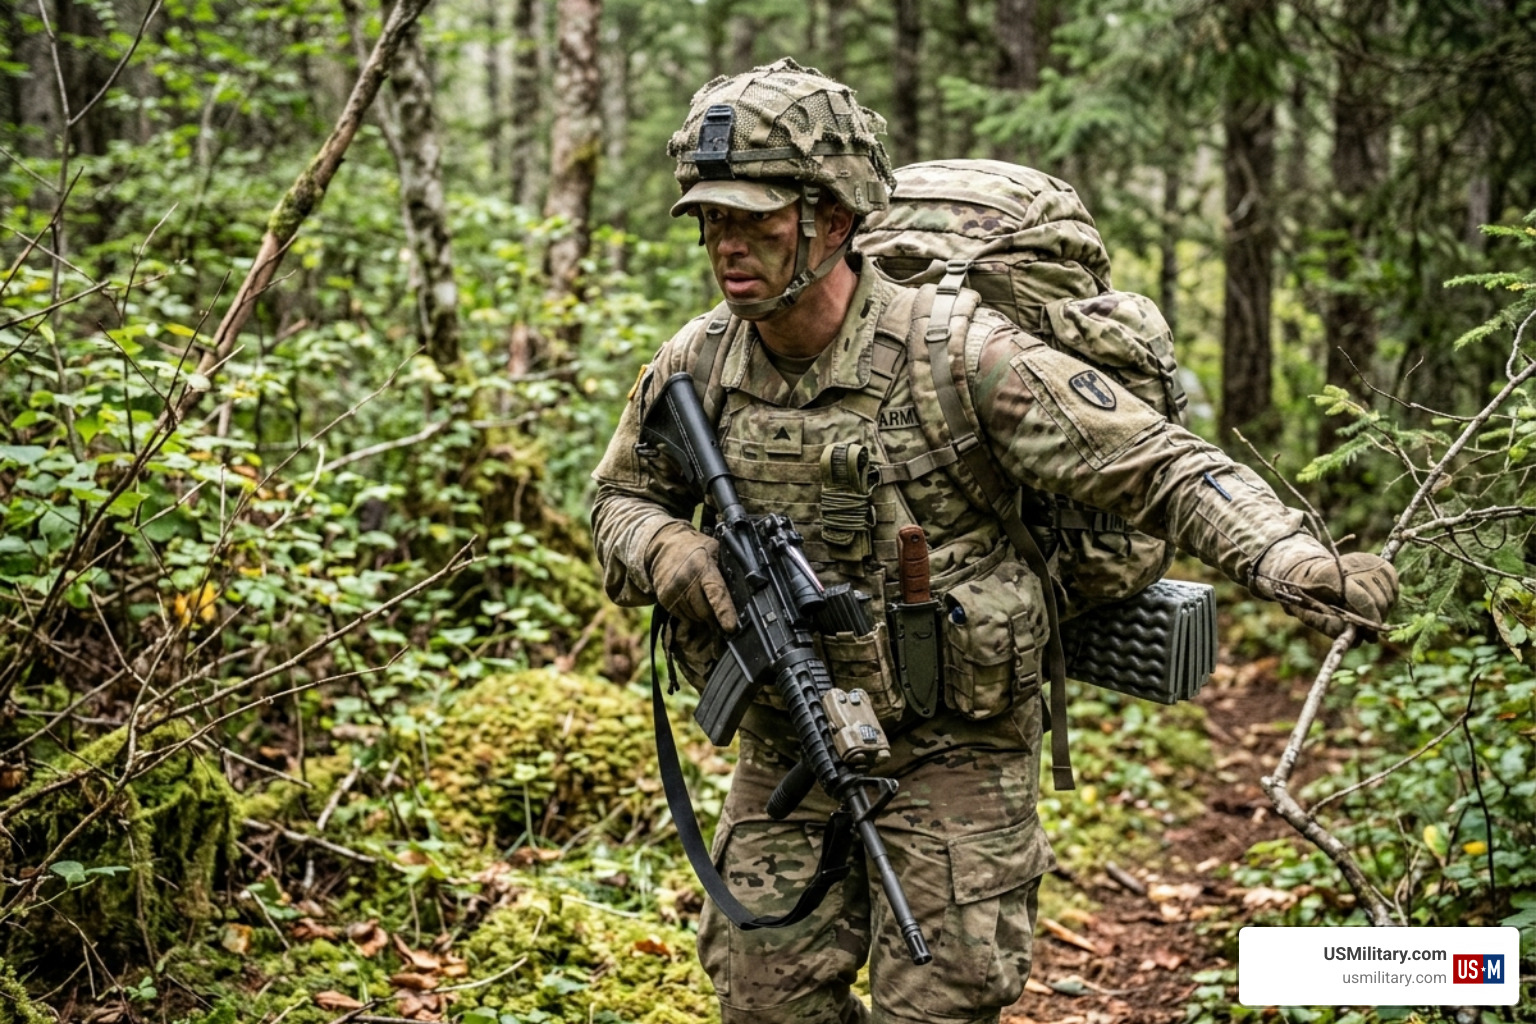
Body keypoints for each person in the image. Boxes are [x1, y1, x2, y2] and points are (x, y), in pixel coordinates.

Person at [590, 58, 1397, 1024]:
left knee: (941, 1004)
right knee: (762, 1001)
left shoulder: (961, 355)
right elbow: (620, 501)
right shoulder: (697, 363)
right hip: (786, 738)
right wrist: (674, 555)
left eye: (755, 218)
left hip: (954, 750)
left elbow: (1160, 466)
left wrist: (1290, 558)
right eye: (712, 220)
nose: (727, 245)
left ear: (833, 220)